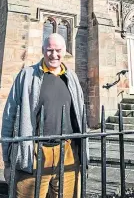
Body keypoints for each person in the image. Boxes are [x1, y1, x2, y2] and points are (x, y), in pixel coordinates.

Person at [1, 33, 88, 198]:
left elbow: (80, 114)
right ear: (43, 50)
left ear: (64, 50)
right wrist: (7, 161)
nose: (54, 55)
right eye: (49, 50)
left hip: (68, 151)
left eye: (58, 50)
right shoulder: (26, 76)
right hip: (33, 152)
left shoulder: (72, 77)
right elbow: (9, 117)